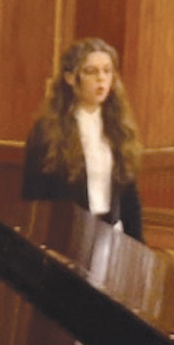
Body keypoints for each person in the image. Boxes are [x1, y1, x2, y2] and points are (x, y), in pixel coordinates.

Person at [22, 38, 143, 241]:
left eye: (107, 71)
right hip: (68, 236)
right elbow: (35, 197)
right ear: (70, 78)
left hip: (111, 234)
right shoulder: (47, 131)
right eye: (91, 71)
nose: (101, 79)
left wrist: (140, 246)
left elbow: (129, 195)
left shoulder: (118, 127)